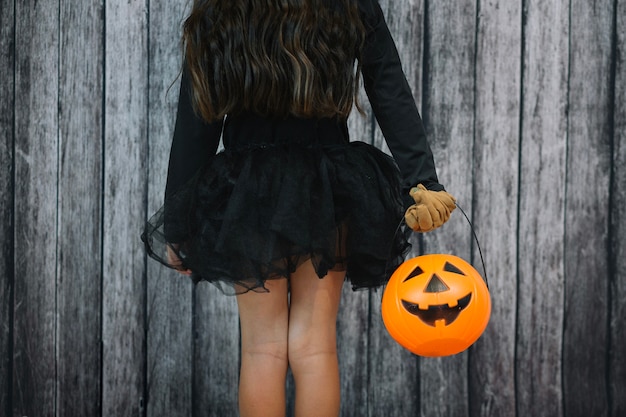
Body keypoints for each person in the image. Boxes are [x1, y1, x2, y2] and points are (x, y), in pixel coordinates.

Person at [141, 0, 456, 416]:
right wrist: (423, 182)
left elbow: (197, 109)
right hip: (328, 184)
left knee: (262, 349)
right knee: (314, 345)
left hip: (248, 187)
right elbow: (388, 86)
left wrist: (180, 222)